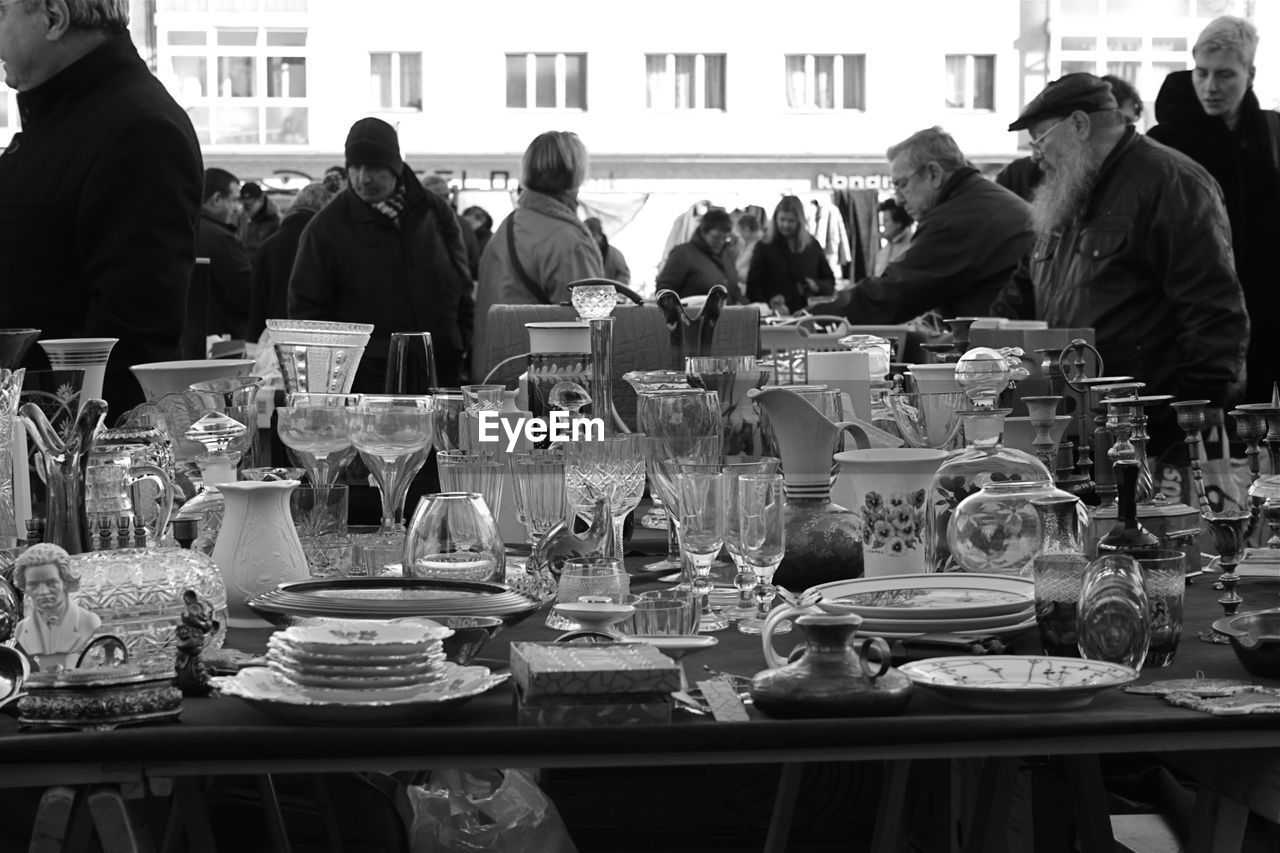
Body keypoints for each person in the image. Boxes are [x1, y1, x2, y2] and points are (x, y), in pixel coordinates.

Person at [991, 72, 1249, 455]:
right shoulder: (1070, 189)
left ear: (1078, 124)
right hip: (1077, 420)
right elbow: (1022, 290)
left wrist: (1182, 419)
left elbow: (1214, 314)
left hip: (1148, 427)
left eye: (1040, 140)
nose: (1035, 155)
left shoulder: (1172, 182)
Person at [0, 0, 202, 415]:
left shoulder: (138, 129)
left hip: (62, 452)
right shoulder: (69, 119)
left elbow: (129, 339)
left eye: (2, 11)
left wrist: (57, 456)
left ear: (54, 18)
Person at [1148, 16, 1280, 406]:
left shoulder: (1271, 134)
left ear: (1250, 74)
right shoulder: (1165, 142)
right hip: (1194, 320)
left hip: (1267, 307)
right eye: (1201, 73)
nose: (1210, 87)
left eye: (1224, 75)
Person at [289, 117, 473, 391]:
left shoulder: (434, 211)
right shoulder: (326, 227)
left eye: (374, 167)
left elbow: (461, 284)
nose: (364, 178)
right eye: (355, 167)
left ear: (394, 166)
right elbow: (308, 315)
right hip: (369, 382)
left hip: (441, 369)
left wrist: (461, 342)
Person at [837, 127, 1031, 324]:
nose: (898, 200)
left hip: (997, 347)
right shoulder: (977, 198)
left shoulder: (956, 218)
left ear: (934, 173)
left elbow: (896, 292)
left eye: (902, 184)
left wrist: (819, 315)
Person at [473, 131, 603, 379]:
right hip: (545, 388)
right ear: (577, 174)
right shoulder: (567, 239)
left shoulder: (508, 226)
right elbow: (592, 332)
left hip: (497, 377)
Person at [996, 74, 1144, 203]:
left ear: (1079, 125)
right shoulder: (1072, 180)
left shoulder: (1153, 181)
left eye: (1041, 140)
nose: (1036, 158)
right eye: (1038, 142)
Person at [246, 181, 334, 342]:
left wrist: (252, 346)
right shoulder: (327, 244)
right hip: (318, 342)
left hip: (275, 343)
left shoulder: (267, 246)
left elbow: (257, 306)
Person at [12, 543, 102, 669]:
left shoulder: (89, 622)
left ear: (66, 582)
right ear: (24, 587)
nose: (42, 591)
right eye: (33, 585)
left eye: (51, 583)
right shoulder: (22, 629)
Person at [746, 196, 835, 314]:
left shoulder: (812, 246)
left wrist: (817, 286)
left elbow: (829, 281)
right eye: (782, 219)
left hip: (807, 315)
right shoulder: (764, 246)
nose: (785, 225)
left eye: (790, 221)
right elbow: (753, 286)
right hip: (773, 318)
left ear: (800, 221)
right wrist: (769, 306)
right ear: (775, 218)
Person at [197, 168, 254, 342]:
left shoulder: (187, 230)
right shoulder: (222, 240)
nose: (239, 208)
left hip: (194, 336)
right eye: (235, 200)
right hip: (223, 340)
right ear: (217, 199)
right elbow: (247, 294)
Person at [655, 208, 738, 300]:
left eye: (725, 237)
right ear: (703, 232)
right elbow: (664, 290)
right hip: (692, 313)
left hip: (728, 313)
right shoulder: (683, 253)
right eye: (716, 237)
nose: (721, 242)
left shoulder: (727, 255)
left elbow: (734, 289)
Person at [422, 174, 480, 280]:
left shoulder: (463, 225)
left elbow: (473, 263)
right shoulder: (415, 226)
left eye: (446, 196)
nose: (444, 202)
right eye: (438, 197)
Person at [236, 181, 281, 258]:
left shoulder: (276, 221)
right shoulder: (241, 217)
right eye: (243, 205)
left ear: (261, 200)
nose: (245, 210)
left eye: (248, 206)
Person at [584, 217, 631, 285]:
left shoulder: (615, 255)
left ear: (599, 235)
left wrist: (613, 289)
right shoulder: (583, 253)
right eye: (586, 237)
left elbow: (624, 276)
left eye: (592, 236)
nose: (589, 240)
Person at [873, 198, 914, 276]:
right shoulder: (889, 244)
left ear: (898, 223)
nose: (883, 225)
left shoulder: (911, 246)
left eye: (886, 221)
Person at [732, 213, 763, 297]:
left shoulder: (759, 246)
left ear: (746, 230)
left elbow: (751, 274)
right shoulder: (748, 244)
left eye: (739, 233)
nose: (739, 236)